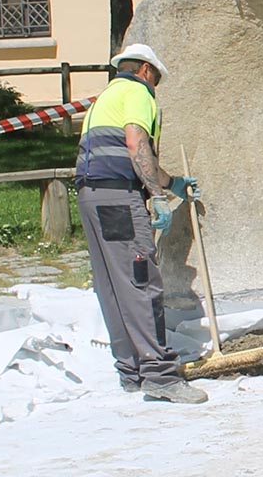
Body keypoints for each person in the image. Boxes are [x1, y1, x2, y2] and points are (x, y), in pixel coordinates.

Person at [75, 43, 208, 403]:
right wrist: (158, 196)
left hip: (93, 197)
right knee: (140, 281)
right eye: (157, 81)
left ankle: (131, 371)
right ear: (146, 71)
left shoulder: (107, 96)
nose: (155, 88)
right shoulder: (137, 92)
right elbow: (137, 145)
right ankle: (160, 375)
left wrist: (170, 182)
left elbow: (122, 153)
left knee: (113, 284)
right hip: (119, 199)